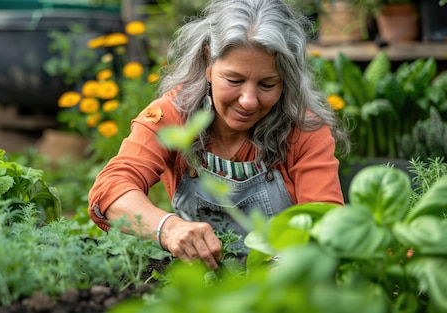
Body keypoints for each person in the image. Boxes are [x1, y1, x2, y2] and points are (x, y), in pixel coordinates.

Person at [88, 0, 349, 271]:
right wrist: (168, 228)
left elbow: (324, 224)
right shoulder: (174, 116)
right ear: (208, 63)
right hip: (203, 285)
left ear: (286, 79)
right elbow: (112, 188)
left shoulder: (303, 130)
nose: (248, 100)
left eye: (267, 84)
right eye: (234, 80)